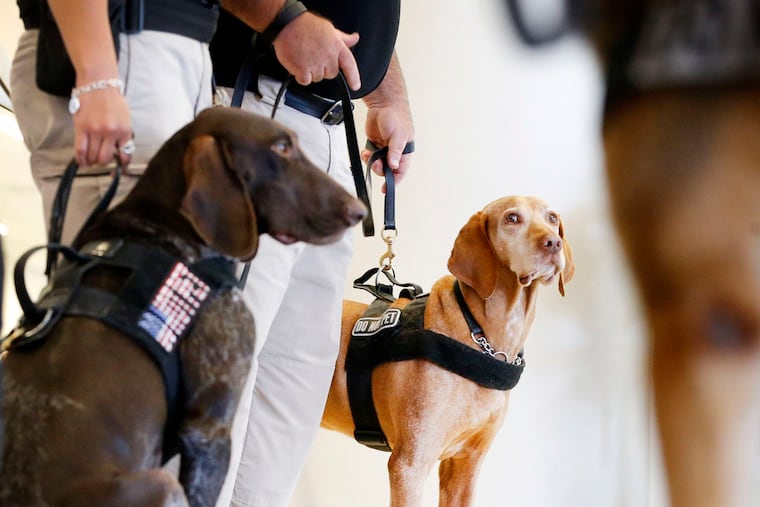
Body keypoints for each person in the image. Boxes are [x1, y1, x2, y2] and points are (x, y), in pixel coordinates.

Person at [208, 1, 415, 506]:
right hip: (260, 107)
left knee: (296, 377)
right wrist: (283, 20)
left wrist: (388, 96)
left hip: (330, 134)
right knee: (221, 362)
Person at [11, 0, 223, 246]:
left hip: (156, 51)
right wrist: (97, 78)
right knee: (118, 271)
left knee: (147, 271)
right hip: (121, 45)